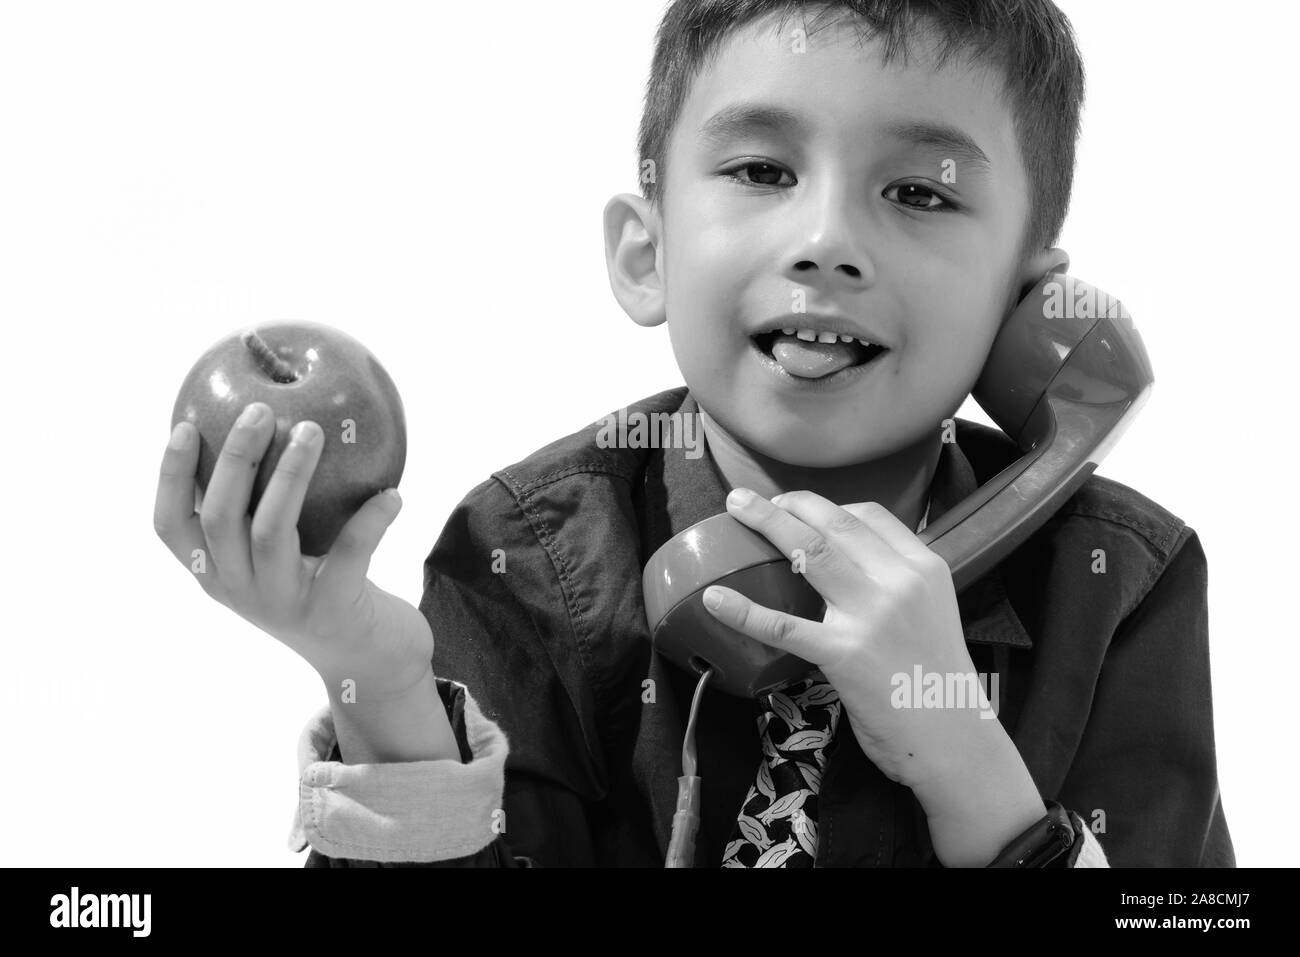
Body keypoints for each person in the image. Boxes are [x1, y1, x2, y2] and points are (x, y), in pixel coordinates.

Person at [153, 0, 1234, 868]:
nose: (826, 241)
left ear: (1023, 303)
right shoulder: (524, 555)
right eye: (763, 171)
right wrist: (378, 683)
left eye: (918, 191)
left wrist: (965, 763)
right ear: (644, 253)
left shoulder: (1119, 586)